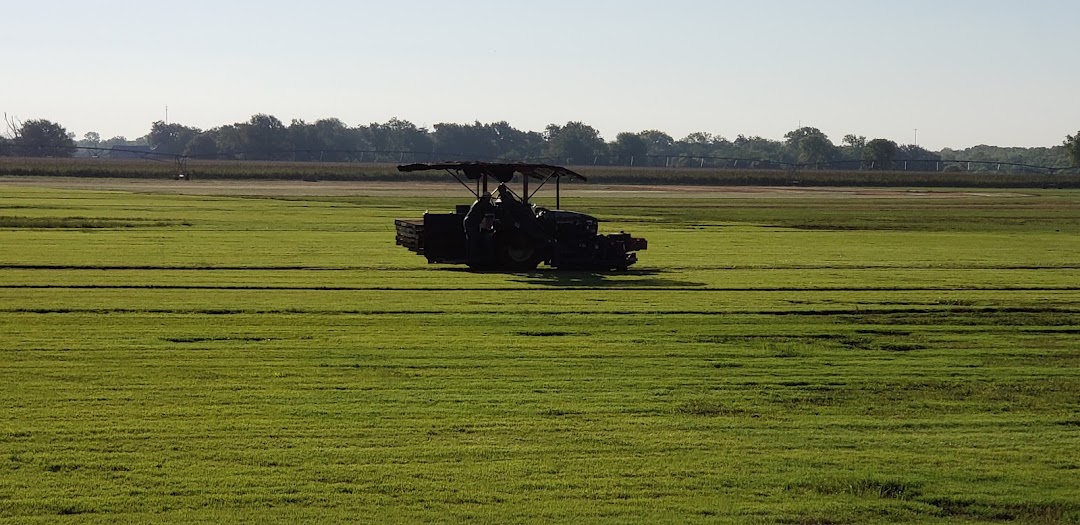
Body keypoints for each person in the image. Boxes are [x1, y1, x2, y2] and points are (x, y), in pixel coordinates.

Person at [463, 192, 495, 266]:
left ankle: (471, 257)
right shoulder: (482, 204)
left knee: (471, 239)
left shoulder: (479, 202)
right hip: (471, 222)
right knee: (474, 239)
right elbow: (490, 209)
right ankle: (472, 258)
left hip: (469, 221)